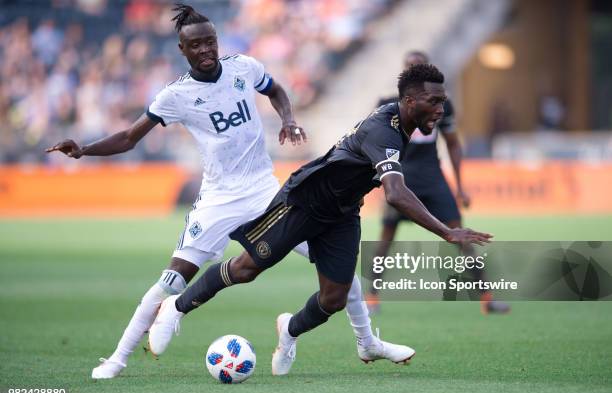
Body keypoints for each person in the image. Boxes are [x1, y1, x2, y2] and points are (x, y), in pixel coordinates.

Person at [46, 4, 411, 380]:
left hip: (267, 192)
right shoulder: (175, 96)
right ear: (182, 50)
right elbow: (128, 137)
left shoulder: (243, 67)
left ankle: (367, 341)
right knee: (169, 281)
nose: (205, 50)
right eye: (195, 45)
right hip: (219, 199)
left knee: (337, 264)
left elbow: (277, 90)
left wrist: (288, 119)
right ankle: (117, 359)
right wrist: (85, 149)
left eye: (210, 42)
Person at [148, 64, 493, 376]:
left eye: (442, 101)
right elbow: (395, 193)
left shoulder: (401, 125)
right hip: (304, 201)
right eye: (433, 101)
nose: (440, 108)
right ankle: (176, 308)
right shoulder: (384, 130)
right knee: (245, 270)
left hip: (341, 214)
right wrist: (447, 232)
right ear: (409, 100)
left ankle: (290, 330)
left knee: (334, 298)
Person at [368, 51, 509, 314]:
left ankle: (487, 298)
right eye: (411, 68)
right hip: (400, 176)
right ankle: (372, 297)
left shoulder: (443, 104)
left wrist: (461, 186)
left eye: (420, 67)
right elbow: (376, 143)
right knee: (386, 238)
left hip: (432, 175)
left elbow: (453, 144)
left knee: (460, 235)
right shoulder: (387, 103)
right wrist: (375, 180)